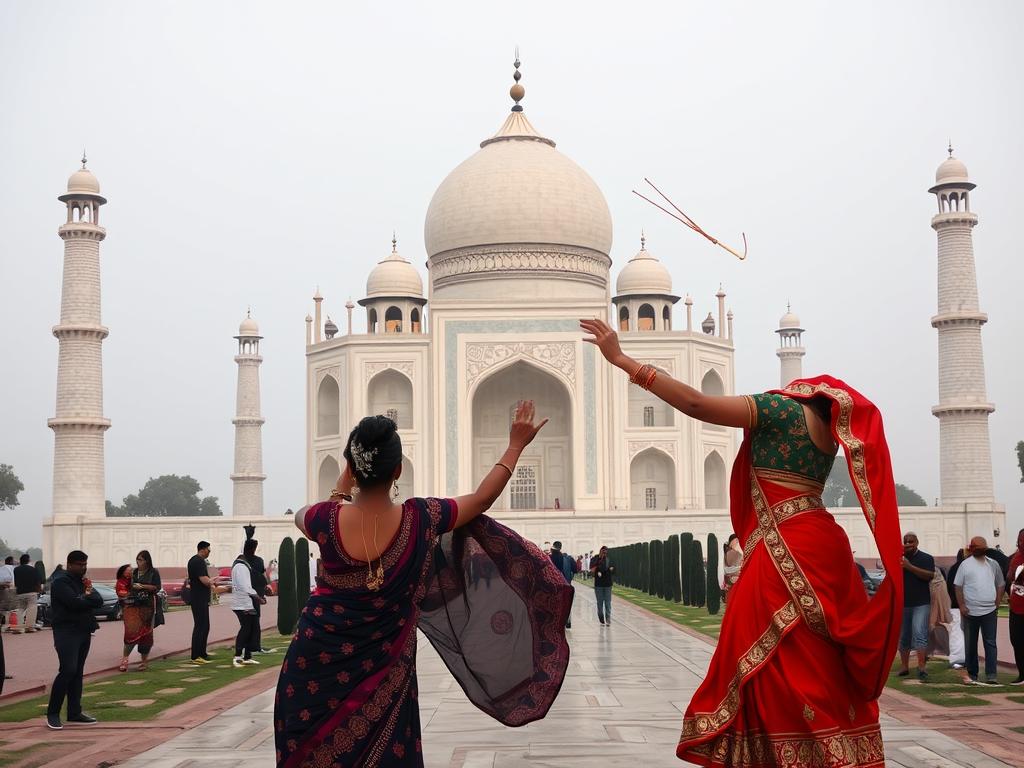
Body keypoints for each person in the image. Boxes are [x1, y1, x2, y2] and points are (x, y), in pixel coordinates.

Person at [581, 318, 902, 767]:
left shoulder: (778, 409)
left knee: (770, 665)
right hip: (823, 543)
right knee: (820, 663)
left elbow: (695, 402)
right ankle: (835, 751)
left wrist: (622, 361)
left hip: (781, 548)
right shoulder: (829, 435)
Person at [275, 404, 572, 767]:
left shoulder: (323, 518)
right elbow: (481, 500)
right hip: (384, 671)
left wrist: (346, 479)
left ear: (351, 467)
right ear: (398, 469)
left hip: (311, 669)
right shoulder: (420, 518)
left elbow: (309, 513)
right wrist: (515, 446)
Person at [46, 550, 103, 730]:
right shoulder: (60, 582)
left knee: (77, 672)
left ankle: (74, 711)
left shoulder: (82, 582)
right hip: (66, 631)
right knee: (68, 670)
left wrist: (85, 598)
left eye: (85, 564)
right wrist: (86, 599)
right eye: (80, 564)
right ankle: (53, 713)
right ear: (69, 564)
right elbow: (73, 603)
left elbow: (98, 600)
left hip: (83, 630)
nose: (83, 568)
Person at [954, 535, 1005, 685]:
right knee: (971, 644)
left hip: (989, 610)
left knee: (990, 643)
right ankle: (973, 674)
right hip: (970, 611)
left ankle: (991, 675)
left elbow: (1000, 584)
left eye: (980, 548)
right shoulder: (965, 565)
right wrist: (962, 605)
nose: (977, 550)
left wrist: (997, 601)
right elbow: (958, 586)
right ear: (971, 548)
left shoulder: (993, 564)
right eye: (975, 547)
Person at [898, 533, 935, 680]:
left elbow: (929, 576)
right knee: (904, 636)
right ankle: (904, 667)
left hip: (921, 603)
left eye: (911, 541)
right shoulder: (899, 559)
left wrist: (909, 567)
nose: (908, 544)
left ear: (917, 542)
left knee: (920, 634)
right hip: (904, 603)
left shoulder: (926, 558)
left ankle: (921, 667)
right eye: (905, 542)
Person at [117, 551, 161, 672]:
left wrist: (142, 586)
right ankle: (125, 659)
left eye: (141, 560)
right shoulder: (134, 572)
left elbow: (157, 587)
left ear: (147, 561)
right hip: (133, 606)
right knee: (131, 632)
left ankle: (144, 661)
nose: (138, 562)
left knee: (146, 634)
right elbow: (125, 585)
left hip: (148, 606)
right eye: (137, 560)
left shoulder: (153, 572)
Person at [187, 541, 222, 664]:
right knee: (200, 626)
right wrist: (213, 581)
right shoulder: (198, 561)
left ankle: (202, 653)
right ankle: (196, 656)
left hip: (200, 598)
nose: (209, 552)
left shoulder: (196, 561)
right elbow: (204, 580)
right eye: (208, 549)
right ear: (202, 549)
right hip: (198, 598)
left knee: (204, 626)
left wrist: (211, 582)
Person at [230, 544, 264, 667]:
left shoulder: (242, 566)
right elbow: (245, 586)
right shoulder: (241, 567)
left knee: (250, 629)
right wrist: (257, 597)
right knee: (245, 629)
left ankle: (247, 656)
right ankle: (238, 656)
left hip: (246, 603)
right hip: (242, 604)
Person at [1007, 528, 1024, 685]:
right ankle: (1022, 674)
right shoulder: (1015, 558)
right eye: (1019, 539)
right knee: (1016, 640)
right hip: (1016, 606)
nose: (1021, 542)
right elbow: (1009, 578)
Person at [13, 554, 42, 633]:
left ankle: (19, 627)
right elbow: (38, 581)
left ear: (20, 561)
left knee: (20, 610)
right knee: (32, 609)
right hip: (31, 592)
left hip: (20, 593)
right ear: (28, 560)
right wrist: (39, 590)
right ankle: (29, 627)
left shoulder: (16, 569)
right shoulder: (33, 569)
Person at [550, 541, 575, 628]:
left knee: (555, 603)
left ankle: (556, 622)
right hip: (566, 584)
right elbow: (575, 569)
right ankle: (567, 621)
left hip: (554, 584)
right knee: (566, 603)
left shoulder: (549, 558)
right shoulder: (568, 558)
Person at [590, 545, 615, 625]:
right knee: (600, 602)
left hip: (608, 583)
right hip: (599, 584)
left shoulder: (609, 559)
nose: (604, 553)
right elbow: (592, 569)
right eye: (603, 551)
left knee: (607, 602)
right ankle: (601, 617)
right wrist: (597, 569)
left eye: (605, 551)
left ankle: (608, 619)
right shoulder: (595, 558)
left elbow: (614, 568)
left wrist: (612, 569)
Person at [721, 534, 742, 602]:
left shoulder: (736, 552)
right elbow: (727, 570)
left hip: (735, 584)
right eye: (736, 542)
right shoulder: (731, 553)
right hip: (733, 585)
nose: (737, 544)